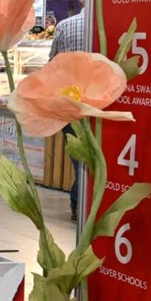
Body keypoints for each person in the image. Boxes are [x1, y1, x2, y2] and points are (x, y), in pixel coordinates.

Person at [50, 12, 89, 221]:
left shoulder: (65, 25)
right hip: (96, 100)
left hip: (69, 102)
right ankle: (85, 203)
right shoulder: (111, 22)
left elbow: (52, 64)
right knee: (93, 159)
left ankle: (77, 204)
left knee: (78, 160)